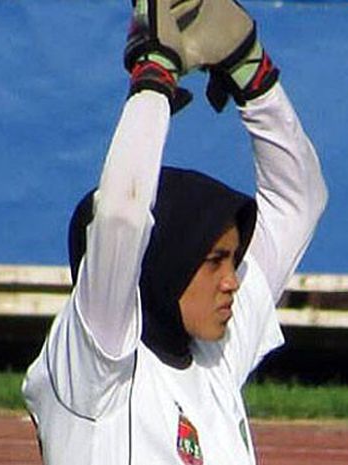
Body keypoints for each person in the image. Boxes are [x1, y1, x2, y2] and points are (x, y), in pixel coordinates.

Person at [22, 0, 327, 463]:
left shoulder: (214, 351)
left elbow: (299, 202)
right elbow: (122, 216)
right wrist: (154, 79)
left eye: (233, 258)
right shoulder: (97, 363)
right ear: (163, 259)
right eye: (213, 261)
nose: (232, 280)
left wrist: (254, 76)